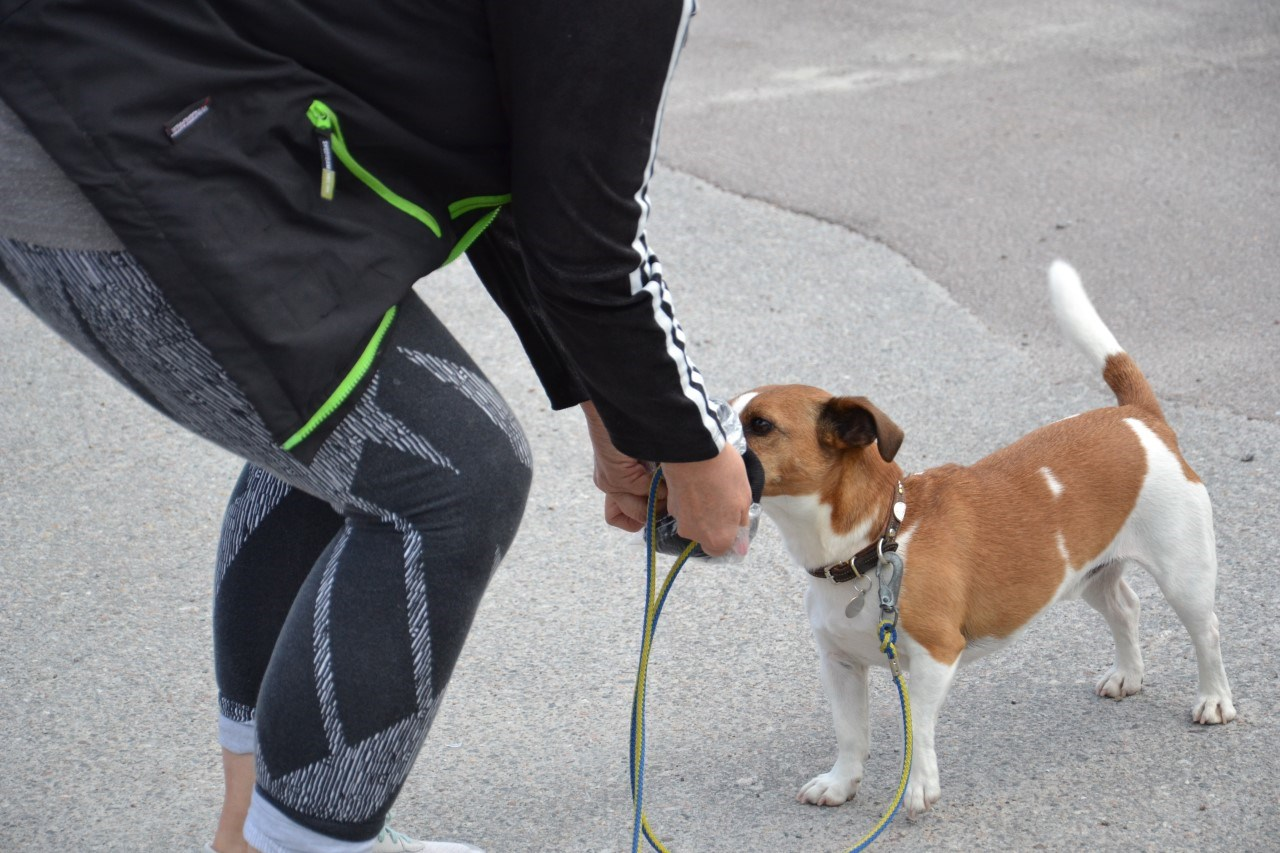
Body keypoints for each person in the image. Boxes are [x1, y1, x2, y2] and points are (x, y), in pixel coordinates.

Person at [0, 1, 753, 852]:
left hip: (119, 91)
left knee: (338, 434)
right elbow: (589, 245)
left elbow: (533, 164)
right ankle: (292, 843)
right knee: (456, 472)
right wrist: (693, 446)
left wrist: (611, 402)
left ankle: (252, 829)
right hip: (108, 131)